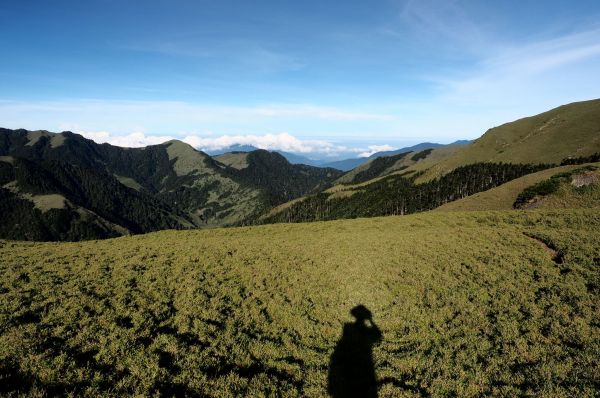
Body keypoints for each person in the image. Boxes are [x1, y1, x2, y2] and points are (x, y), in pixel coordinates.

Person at [328, 305, 382, 398]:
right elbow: (378, 336)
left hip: (349, 365)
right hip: (364, 366)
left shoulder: (348, 328)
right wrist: (371, 320)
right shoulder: (365, 330)